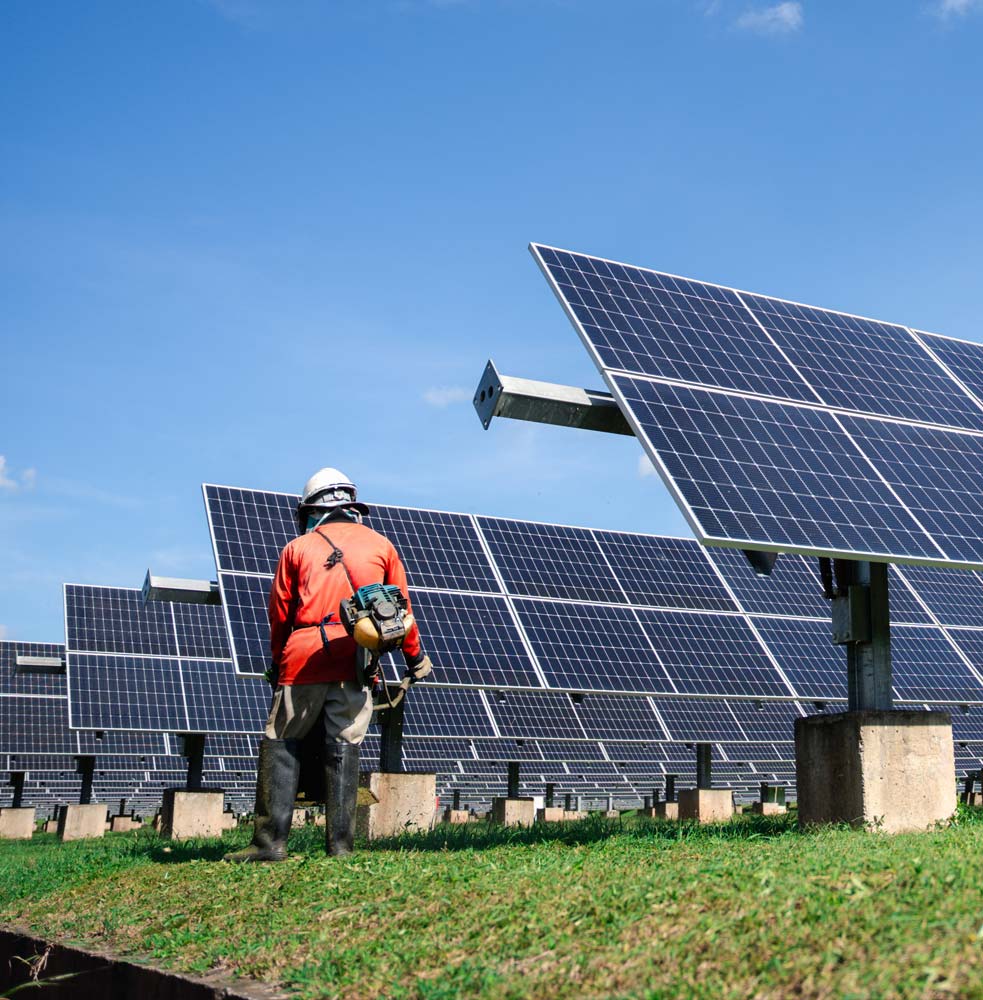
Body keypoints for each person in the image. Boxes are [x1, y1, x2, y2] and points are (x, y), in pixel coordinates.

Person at [225, 468, 432, 862]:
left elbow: (280, 615)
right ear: (353, 507)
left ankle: (269, 844)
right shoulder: (382, 545)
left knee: (282, 740)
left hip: (302, 658)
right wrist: (415, 657)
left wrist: (277, 663)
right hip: (356, 658)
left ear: (310, 510)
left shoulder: (297, 548)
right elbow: (400, 611)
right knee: (344, 742)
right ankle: (340, 848)